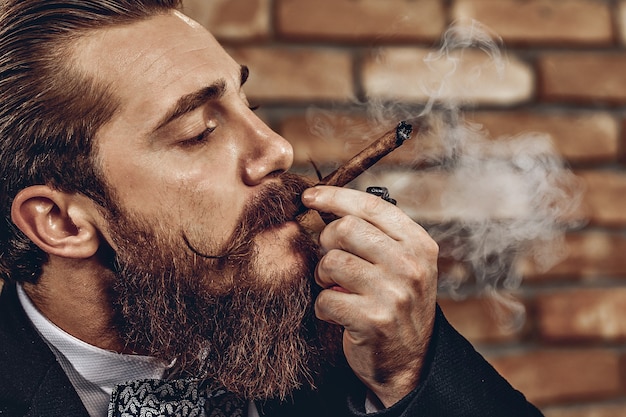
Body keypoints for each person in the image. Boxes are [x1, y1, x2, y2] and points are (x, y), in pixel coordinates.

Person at [0, 1, 543, 416]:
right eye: (199, 132)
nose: (276, 149)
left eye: (248, 105)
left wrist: (407, 369)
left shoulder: (346, 345)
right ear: (61, 221)